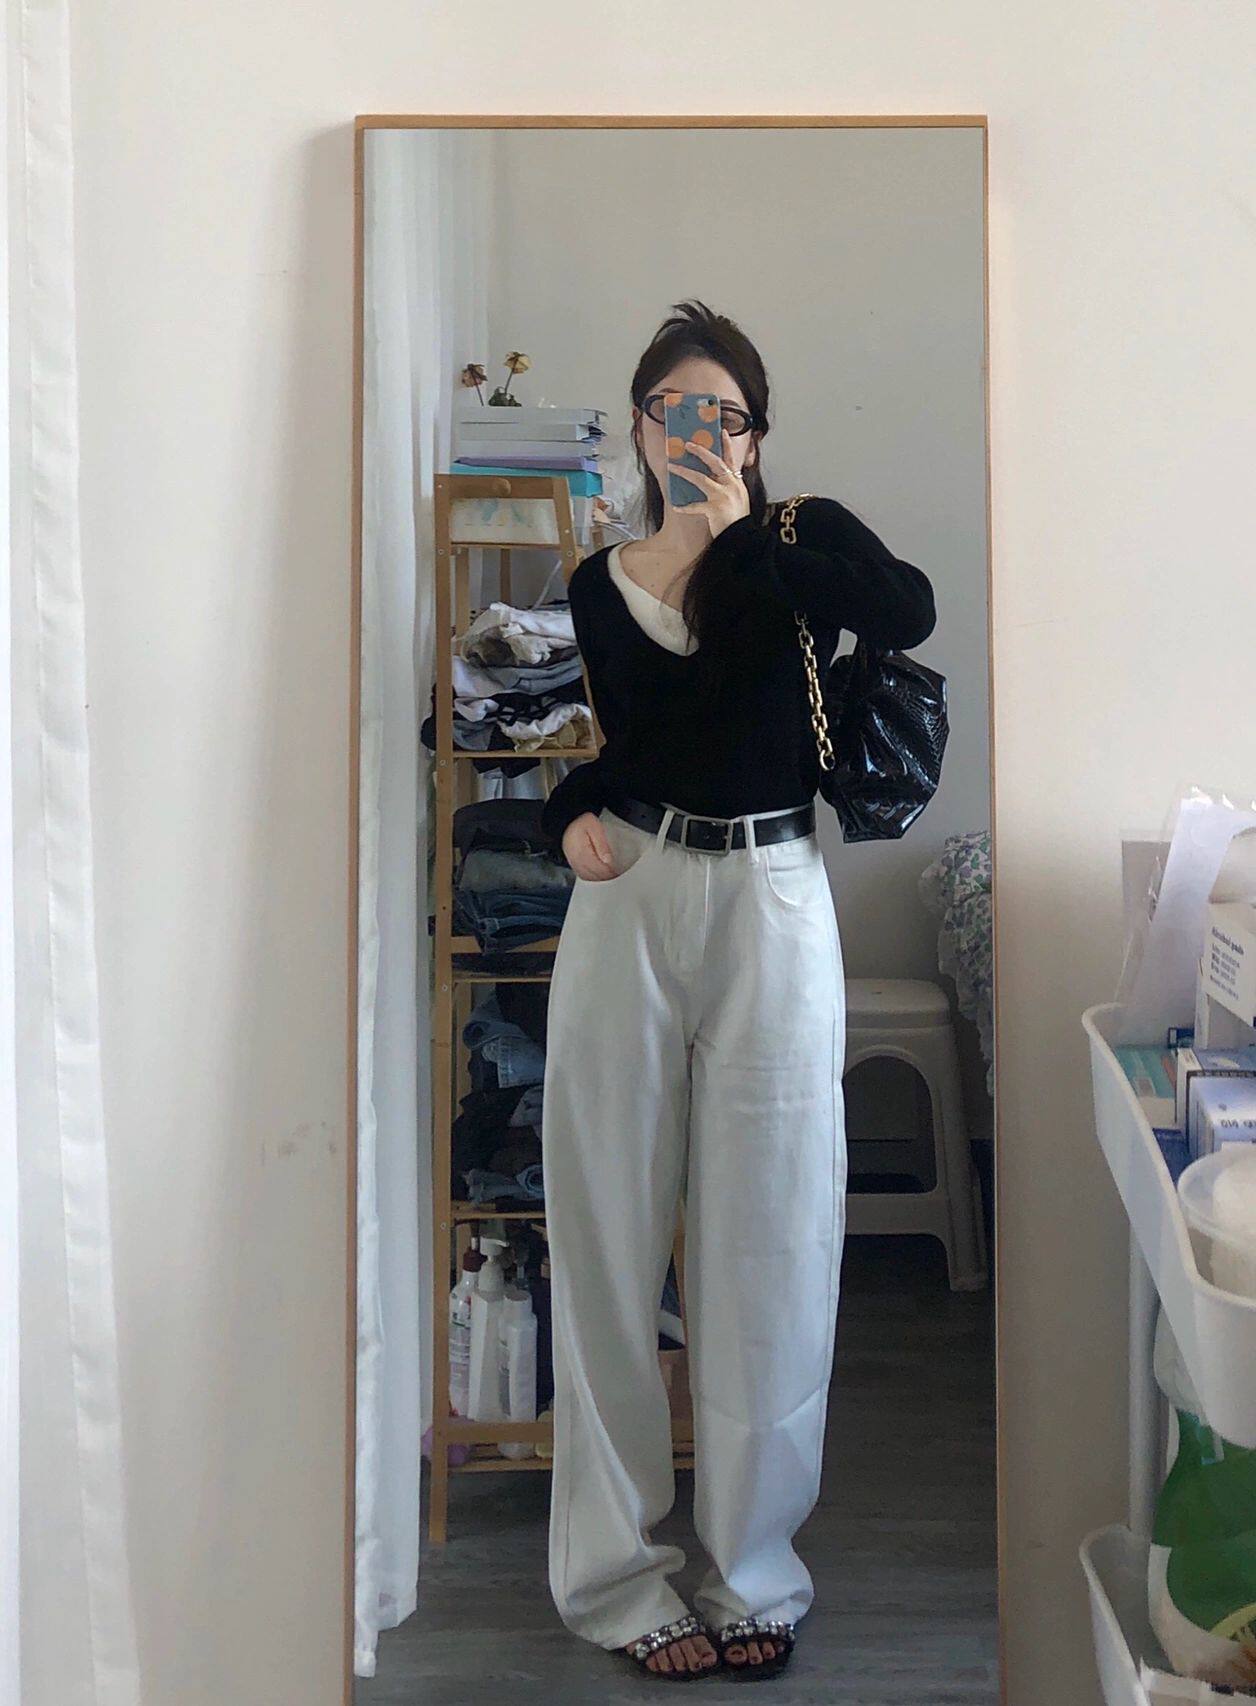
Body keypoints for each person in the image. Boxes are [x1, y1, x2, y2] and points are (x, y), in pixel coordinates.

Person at [539, 300, 936, 1683]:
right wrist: (563, 818)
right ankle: (612, 1577)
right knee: (603, 1228)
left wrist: (750, 541)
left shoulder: (797, 545)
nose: (695, 430)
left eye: (722, 412)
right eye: (673, 409)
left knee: (773, 1234)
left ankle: (753, 1567)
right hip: (633, 897)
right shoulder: (599, 584)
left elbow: (910, 610)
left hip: (773, 894)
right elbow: (638, 749)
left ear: (755, 435)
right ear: (639, 426)